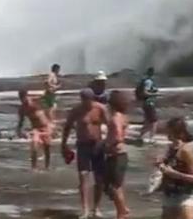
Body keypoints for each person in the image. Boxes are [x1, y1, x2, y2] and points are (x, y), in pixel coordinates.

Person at [61, 88, 109, 219]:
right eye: (83, 100)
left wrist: (108, 143)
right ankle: (85, 210)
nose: (86, 103)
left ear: (92, 98)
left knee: (99, 178)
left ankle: (96, 208)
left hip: (98, 145)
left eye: (88, 100)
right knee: (83, 176)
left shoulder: (100, 109)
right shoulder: (77, 110)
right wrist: (63, 145)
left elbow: (110, 126)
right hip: (82, 146)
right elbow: (67, 127)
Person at [158, 117, 193, 219]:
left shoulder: (186, 151)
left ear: (179, 133)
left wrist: (173, 173)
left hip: (185, 196)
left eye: (170, 133)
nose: (167, 135)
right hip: (169, 195)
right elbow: (170, 166)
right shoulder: (171, 149)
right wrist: (161, 163)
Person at [104, 90, 130, 219]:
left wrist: (107, 146)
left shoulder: (115, 117)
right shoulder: (122, 116)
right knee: (114, 186)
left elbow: (118, 136)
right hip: (120, 154)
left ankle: (122, 212)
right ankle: (123, 209)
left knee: (115, 187)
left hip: (117, 154)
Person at [16, 89, 52, 170]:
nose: (23, 100)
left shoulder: (34, 102)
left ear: (26, 96)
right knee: (34, 145)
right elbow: (21, 121)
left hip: (45, 126)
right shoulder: (22, 109)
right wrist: (18, 130)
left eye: (24, 98)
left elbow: (48, 105)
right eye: (21, 98)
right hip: (35, 128)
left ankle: (47, 166)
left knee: (47, 147)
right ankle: (34, 167)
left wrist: (51, 123)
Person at [137, 67, 159, 143]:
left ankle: (140, 137)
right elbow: (145, 92)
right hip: (149, 103)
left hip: (146, 103)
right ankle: (152, 138)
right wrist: (156, 94)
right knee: (154, 121)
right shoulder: (148, 82)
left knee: (147, 121)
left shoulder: (146, 81)